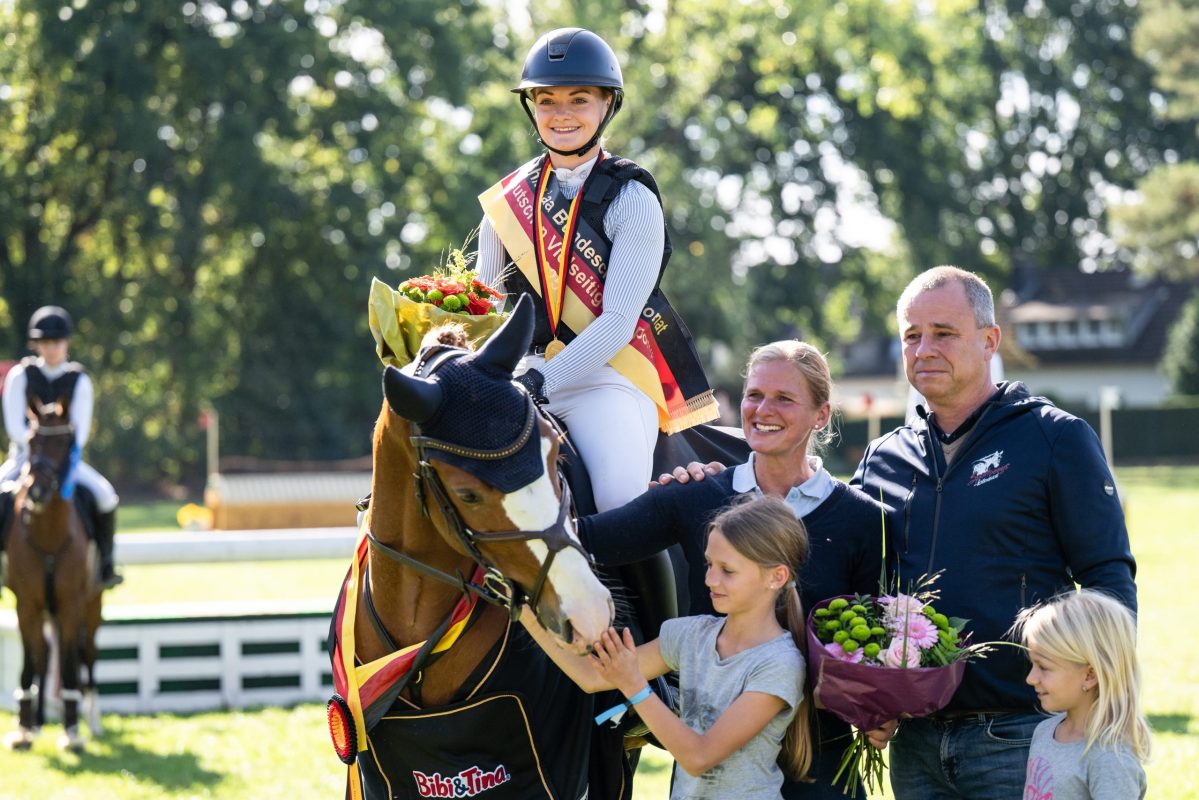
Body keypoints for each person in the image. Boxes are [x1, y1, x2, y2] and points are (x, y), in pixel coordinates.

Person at [850, 266, 1137, 799]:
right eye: (912, 336)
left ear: (989, 341)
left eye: (943, 332)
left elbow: (1108, 579)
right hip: (914, 743)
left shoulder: (1055, 437)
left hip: (1023, 733)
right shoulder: (881, 457)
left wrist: (1100, 708)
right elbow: (860, 583)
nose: (924, 348)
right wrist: (871, 693)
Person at [578, 340, 884, 799]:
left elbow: (874, 645)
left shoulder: (863, 518)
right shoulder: (695, 493)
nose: (764, 409)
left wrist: (884, 712)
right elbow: (585, 540)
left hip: (824, 773)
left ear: (822, 415)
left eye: (784, 398)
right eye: (754, 394)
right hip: (715, 778)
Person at [476, 27, 718, 513]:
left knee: (618, 505)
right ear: (532, 109)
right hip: (519, 377)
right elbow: (485, 308)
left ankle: (653, 591)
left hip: (606, 381)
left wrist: (543, 382)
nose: (561, 114)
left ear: (607, 104)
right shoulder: (506, 203)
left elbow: (617, 323)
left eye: (579, 99)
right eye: (546, 100)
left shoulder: (633, 198)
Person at [525, 496, 811, 799]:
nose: (710, 579)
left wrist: (633, 684)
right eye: (709, 564)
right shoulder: (690, 635)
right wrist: (522, 608)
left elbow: (699, 757)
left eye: (727, 570)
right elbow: (591, 678)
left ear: (776, 577)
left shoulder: (779, 663)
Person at [1, 306, 123, 588]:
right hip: (24, 459)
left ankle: (105, 564)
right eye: (44, 343)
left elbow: (80, 431)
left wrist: (57, 459)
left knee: (105, 497)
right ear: (37, 345)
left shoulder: (79, 380)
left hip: (66, 461)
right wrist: (37, 449)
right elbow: (15, 428)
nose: (51, 348)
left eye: (55, 342)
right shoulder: (20, 376)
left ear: (66, 343)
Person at [1014, 589, 1150, 800]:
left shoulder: (1110, 758)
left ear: (1090, 675)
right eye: (1032, 664)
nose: (1030, 678)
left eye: (1044, 667)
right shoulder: (1044, 732)